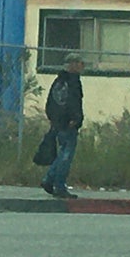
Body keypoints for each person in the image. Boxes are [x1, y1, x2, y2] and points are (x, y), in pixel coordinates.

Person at [40, 53, 85, 199]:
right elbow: (73, 102)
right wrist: (75, 119)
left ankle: (49, 179)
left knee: (62, 153)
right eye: (79, 62)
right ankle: (59, 186)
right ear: (72, 65)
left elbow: (51, 102)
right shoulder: (72, 82)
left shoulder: (58, 81)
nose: (82, 66)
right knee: (66, 155)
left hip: (58, 123)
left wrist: (53, 119)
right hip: (67, 125)